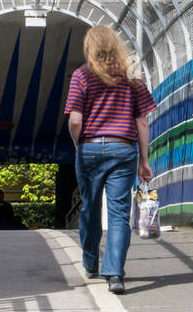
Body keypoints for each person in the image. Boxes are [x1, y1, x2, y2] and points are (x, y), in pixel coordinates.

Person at [64, 26, 155, 294]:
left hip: (90, 149)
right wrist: (144, 161)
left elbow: (75, 120)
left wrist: (78, 145)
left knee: (90, 208)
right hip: (122, 150)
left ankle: (91, 262)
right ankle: (115, 274)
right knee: (118, 214)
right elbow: (142, 121)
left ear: (89, 48)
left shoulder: (81, 76)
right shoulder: (131, 77)